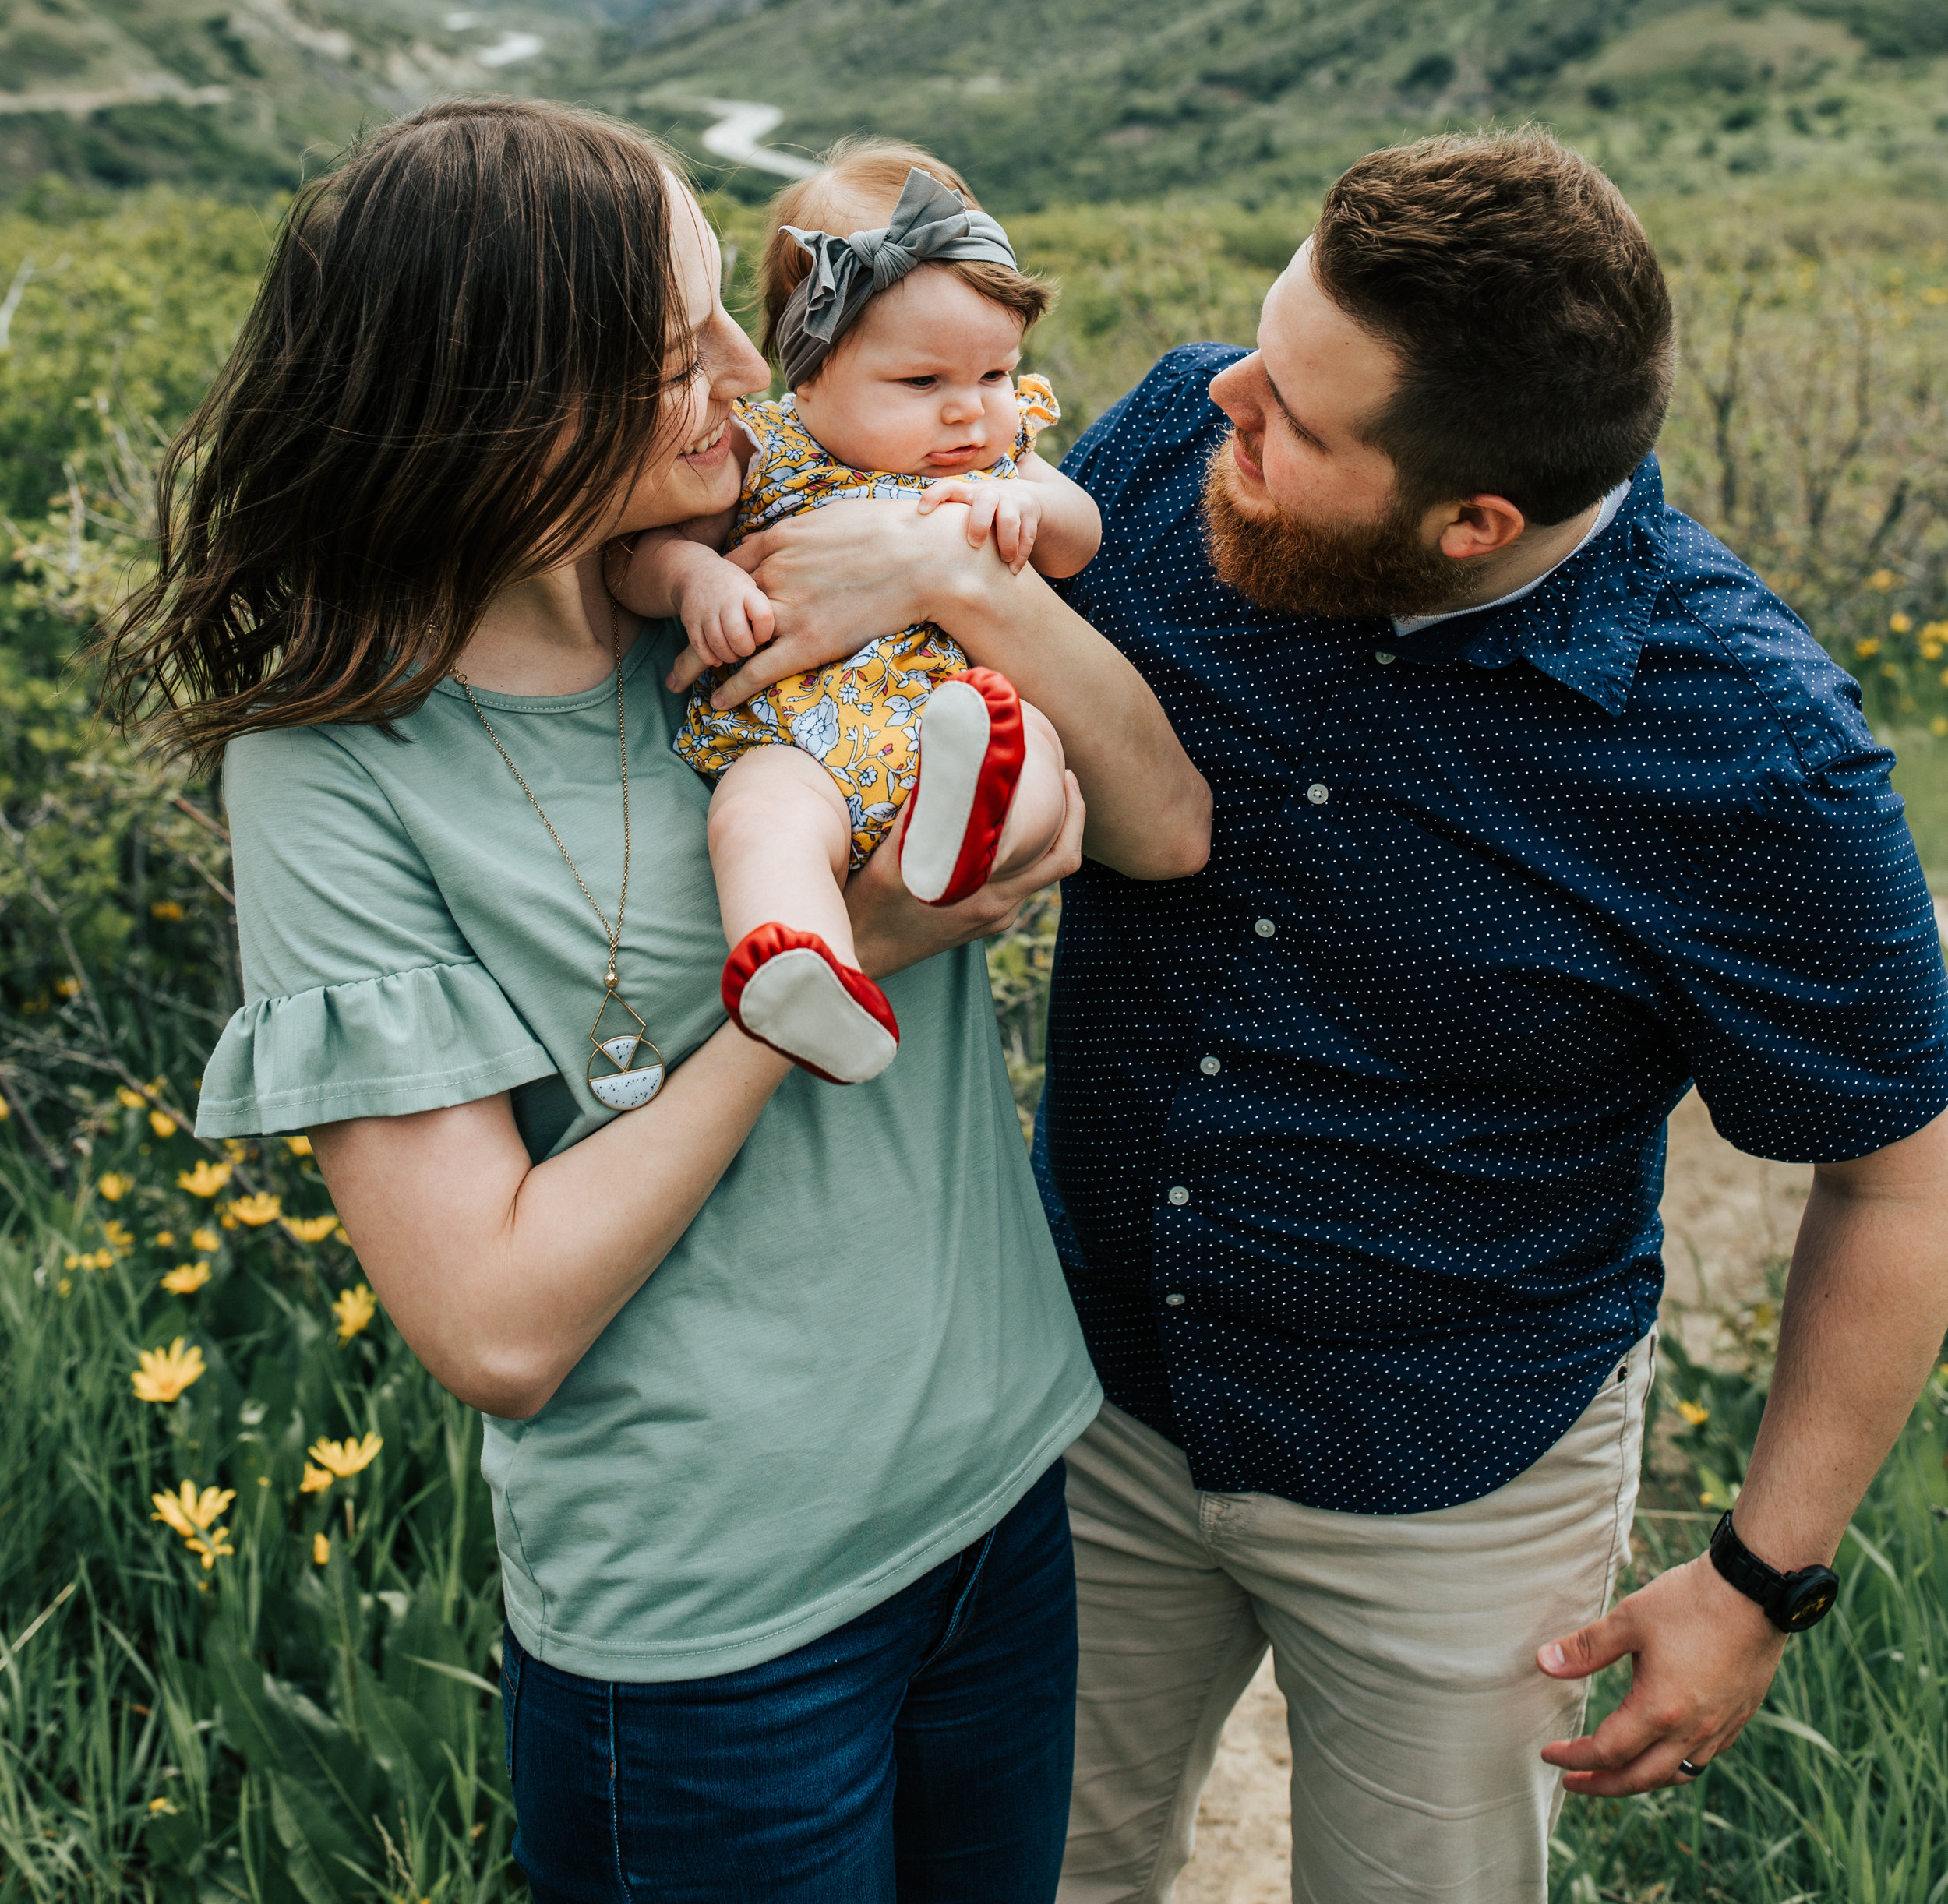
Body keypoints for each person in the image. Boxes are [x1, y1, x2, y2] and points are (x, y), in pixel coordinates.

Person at [105, 99, 1210, 1904]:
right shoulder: (345, 771)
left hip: (1001, 1483)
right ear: (504, 393)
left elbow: (1162, 826)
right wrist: (842, 962)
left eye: (723, 312)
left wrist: (945, 568)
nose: (733, 368)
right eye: (669, 341)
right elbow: (498, 1322)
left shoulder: (785, 565)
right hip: (713, 1622)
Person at [1025, 126, 1948, 1904]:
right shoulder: (1163, 443)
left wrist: (1757, 1578)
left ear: (1472, 522)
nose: (1220, 396)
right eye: (1259, 344)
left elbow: (1899, 1182)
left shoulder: (1753, 755)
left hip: (1455, 1477)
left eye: (1292, 413)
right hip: (1084, 1404)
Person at [616, 139, 1102, 1086]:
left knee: (1032, 746)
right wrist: (693, 581)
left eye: (995, 376)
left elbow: (1078, 538)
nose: (970, 414)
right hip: (801, 746)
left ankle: (964, 833)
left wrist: (1032, 505)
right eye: (923, 385)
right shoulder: (761, 456)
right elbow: (638, 564)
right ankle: (801, 963)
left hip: (960, 721)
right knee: (757, 819)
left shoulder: (1001, 460)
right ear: (808, 375)